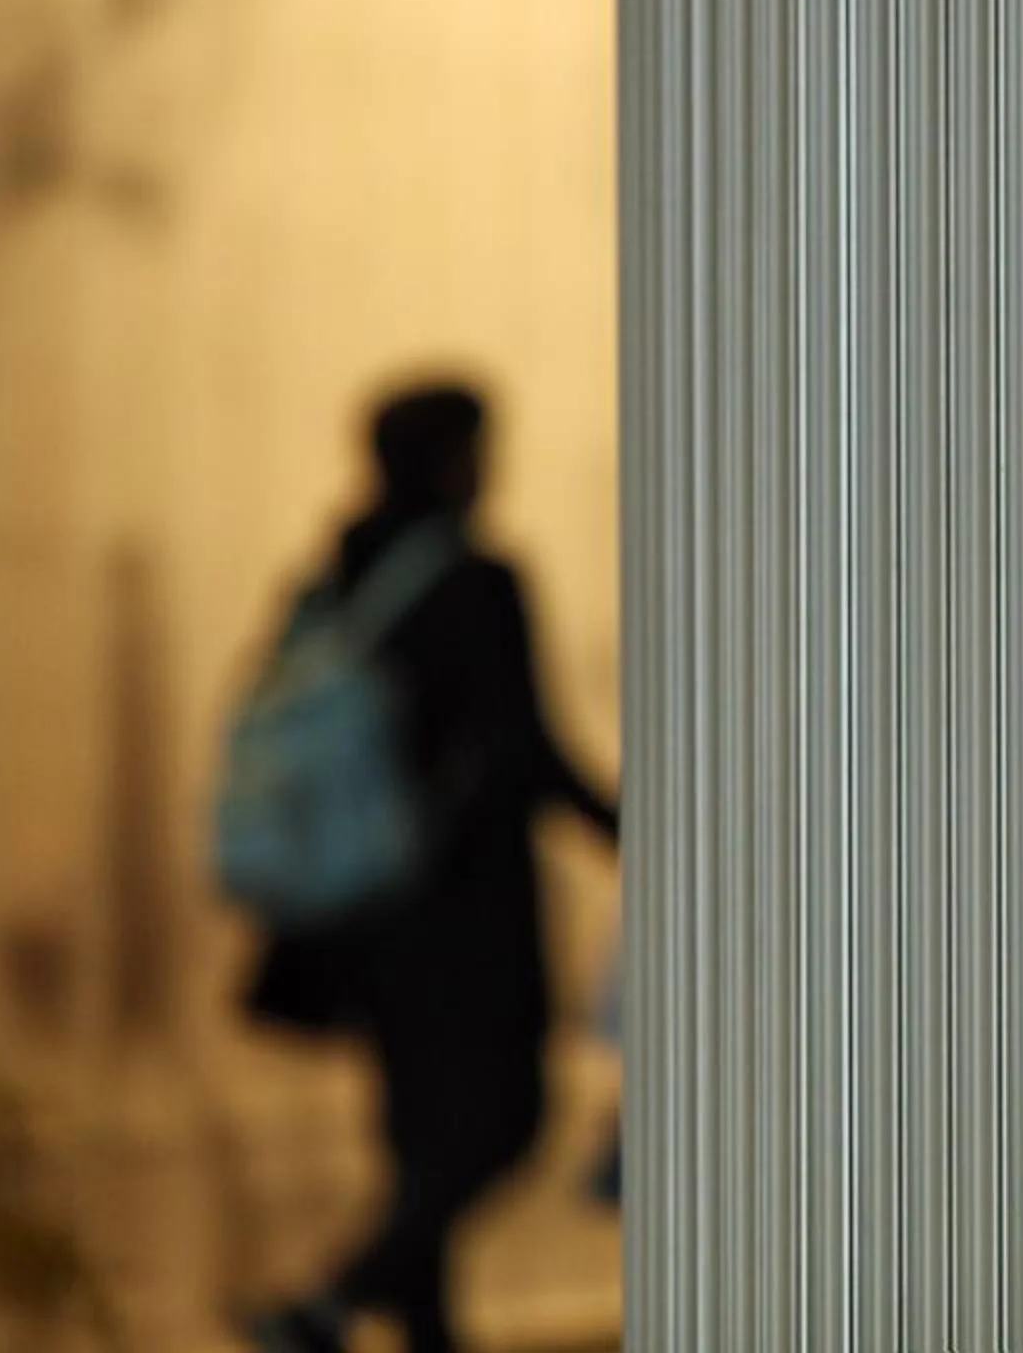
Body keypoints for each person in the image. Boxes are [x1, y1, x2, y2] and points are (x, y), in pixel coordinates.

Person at [242, 381, 617, 1353]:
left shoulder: (337, 582)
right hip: (468, 907)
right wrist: (624, 828)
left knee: (420, 1138)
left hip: (364, 908)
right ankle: (332, 1299)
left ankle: (422, 1334)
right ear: (455, 461)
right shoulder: (479, 581)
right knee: (506, 1120)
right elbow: (526, 747)